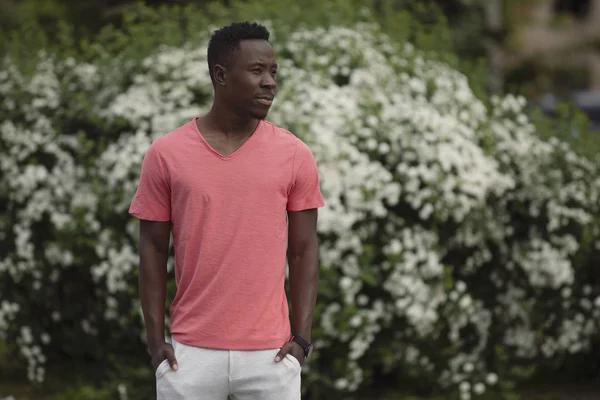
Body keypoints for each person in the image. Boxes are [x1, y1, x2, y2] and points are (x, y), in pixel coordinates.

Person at [128, 21, 324, 400]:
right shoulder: (166, 154)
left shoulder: (294, 155)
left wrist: (301, 340)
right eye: (256, 71)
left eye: (273, 72)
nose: (270, 82)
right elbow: (152, 248)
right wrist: (155, 341)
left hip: (272, 355)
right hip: (188, 356)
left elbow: (304, 250)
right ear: (221, 75)